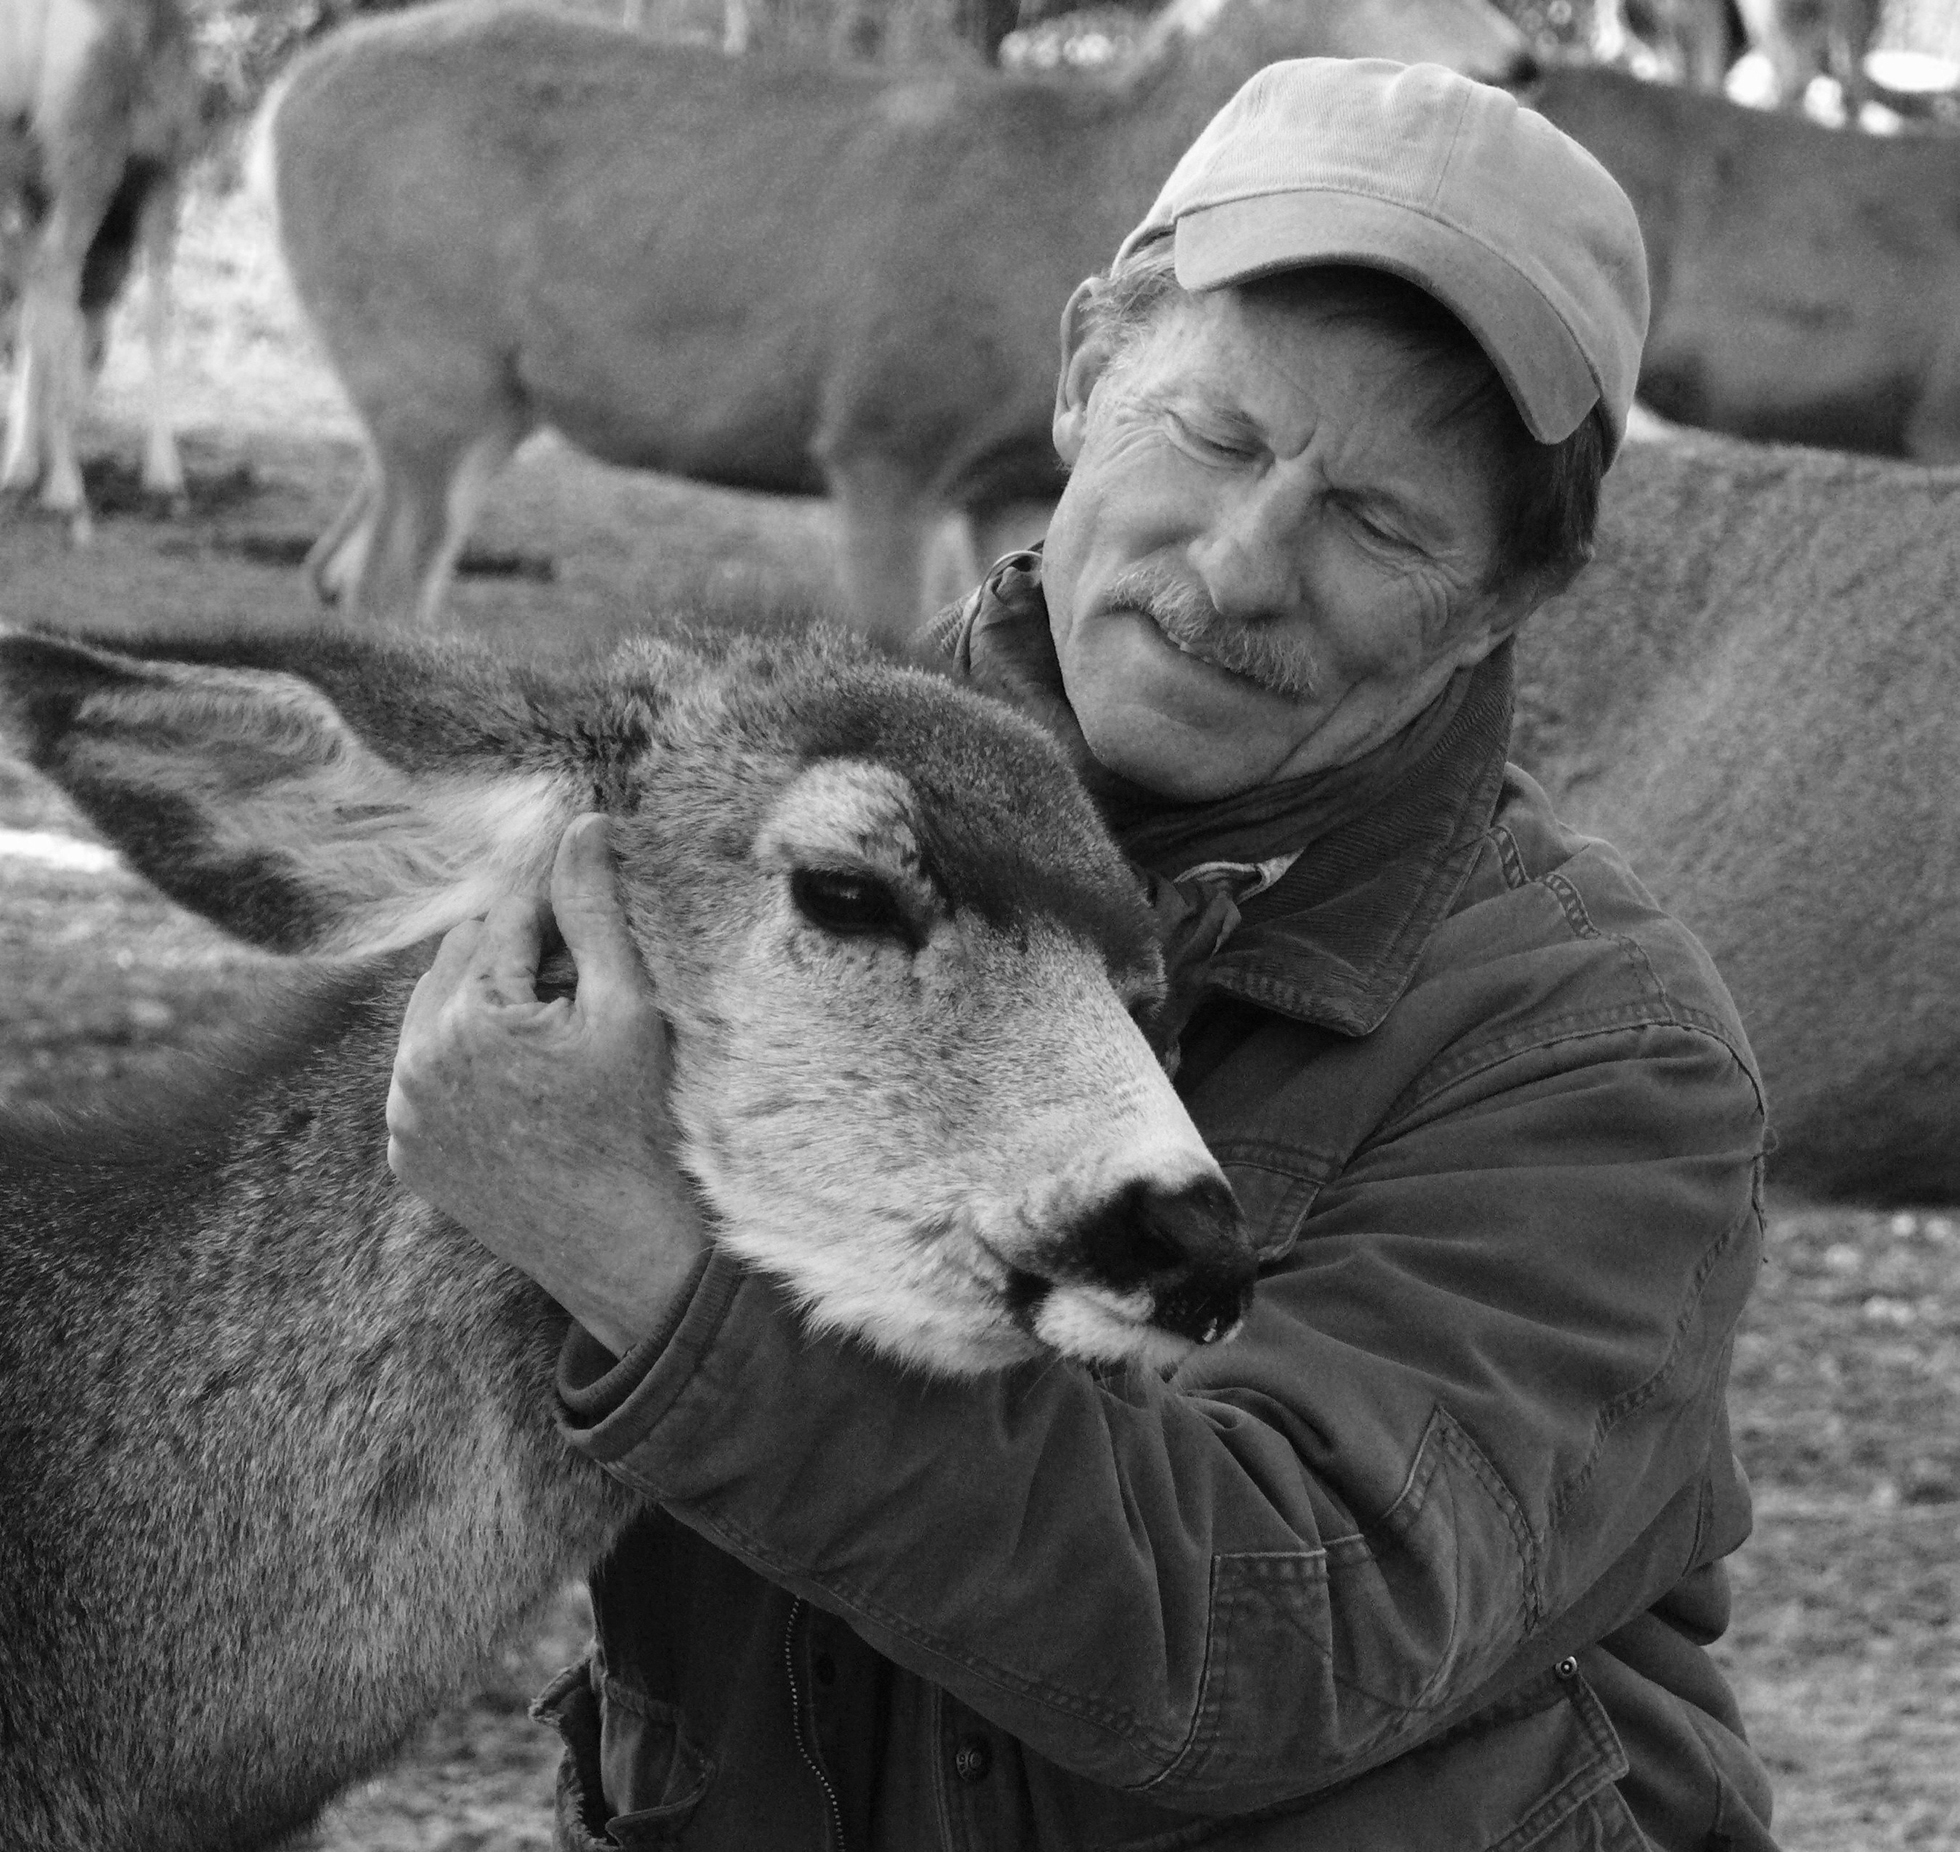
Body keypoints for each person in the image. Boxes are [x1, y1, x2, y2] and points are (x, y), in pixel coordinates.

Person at [385, 58, 1778, 1852]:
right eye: (1213, 435)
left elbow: (1277, 1635)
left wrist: (651, 1277)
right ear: (1079, 376)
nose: (1243, 565)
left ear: (1503, 602)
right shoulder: (733, 839)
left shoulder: (1596, 1053)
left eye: (1379, 521)